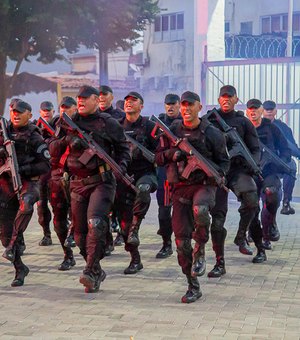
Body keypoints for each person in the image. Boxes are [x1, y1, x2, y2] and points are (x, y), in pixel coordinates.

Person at [49, 85, 131, 293]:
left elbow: (123, 150)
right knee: (79, 235)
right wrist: (68, 139)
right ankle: (95, 269)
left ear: (97, 100)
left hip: (101, 181)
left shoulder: (108, 123)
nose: (81, 101)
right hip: (76, 183)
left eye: (86, 98)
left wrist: (120, 168)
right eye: (79, 98)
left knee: (95, 222)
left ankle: (88, 270)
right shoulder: (67, 122)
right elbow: (52, 148)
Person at [155, 91, 229, 303]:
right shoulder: (172, 131)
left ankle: (201, 249)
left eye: (190, 105)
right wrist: (173, 154)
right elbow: (157, 157)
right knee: (180, 243)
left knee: (202, 210)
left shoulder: (212, 133)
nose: (186, 108)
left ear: (199, 106)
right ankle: (192, 284)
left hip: (204, 186)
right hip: (180, 188)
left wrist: (218, 175)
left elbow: (224, 162)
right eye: (183, 105)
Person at [203, 85, 261, 277]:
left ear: (236, 99)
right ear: (218, 99)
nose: (226, 100)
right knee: (217, 222)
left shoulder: (244, 123)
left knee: (252, 199)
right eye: (223, 97)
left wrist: (253, 164)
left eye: (230, 97)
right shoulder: (208, 121)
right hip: (217, 172)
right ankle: (220, 263)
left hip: (236, 170)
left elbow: (255, 147)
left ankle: (241, 235)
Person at [0, 100, 50, 286]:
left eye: (20, 112)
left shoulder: (35, 136)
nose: (16, 115)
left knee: (27, 204)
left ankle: (14, 245)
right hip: (5, 185)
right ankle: (20, 267)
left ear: (29, 114)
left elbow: (45, 165)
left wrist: (23, 168)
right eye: (13, 112)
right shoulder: (2, 132)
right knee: (6, 235)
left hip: (28, 183)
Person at [114, 91, 158, 274]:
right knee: (124, 223)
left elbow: (160, 154)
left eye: (133, 101)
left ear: (141, 106)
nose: (128, 103)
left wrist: (144, 153)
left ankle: (137, 224)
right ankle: (135, 259)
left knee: (143, 189)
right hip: (123, 176)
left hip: (145, 173)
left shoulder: (150, 126)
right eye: (126, 101)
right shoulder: (116, 126)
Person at [246, 99, 291, 251]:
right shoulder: (243, 130)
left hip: (269, 173)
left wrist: (281, 163)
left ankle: (268, 230)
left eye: (256, 109)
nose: (253, 112)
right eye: (250, 109)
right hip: (249, 172)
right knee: (250, 203)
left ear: (261, 111)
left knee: (271, 196)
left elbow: (286, 150)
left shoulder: (272, 129)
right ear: (247, 112)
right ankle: (254, 232)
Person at [98, 85, 125, 252]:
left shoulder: (119, 117)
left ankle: (122, 232)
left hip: (116, 164)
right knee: (103, 205)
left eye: (104, 95)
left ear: (111, 97)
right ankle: (106, 239)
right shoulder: (93, 117)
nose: (101, 97)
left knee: (120, 201)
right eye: (99, 95)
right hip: (100, 167)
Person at [155, 93, 181, 259]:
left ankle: (183, 243)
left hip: (184, 172)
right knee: (164, 211)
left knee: (183, 211)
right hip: (165, 172)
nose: (170, 107)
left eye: (173, 104)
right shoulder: (158, 124)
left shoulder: (187, 123)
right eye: (167, 104)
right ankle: (166, 243)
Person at [263, 100, 299, 215]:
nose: (269, 112)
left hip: (279, 160)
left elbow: (291, 144)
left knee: (291, 166)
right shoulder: (255, 125)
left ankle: (286, 202)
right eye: (266, 109)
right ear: (262, 111)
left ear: (275, 111)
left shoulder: (283, 128)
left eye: (271, 109)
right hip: (261, 162)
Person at [36, 101, 55, 246]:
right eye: (44, 110)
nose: (46, 112)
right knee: (42, 206)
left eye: (49, 110)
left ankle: (68, 233)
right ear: (40, 112)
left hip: (56, 173)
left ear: (53, 112)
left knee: (60, 206)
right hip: (41, 176)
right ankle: (46, 234)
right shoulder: (34, 129)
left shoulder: (59, 127)